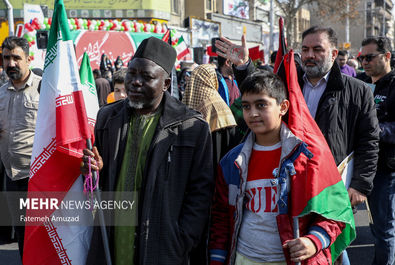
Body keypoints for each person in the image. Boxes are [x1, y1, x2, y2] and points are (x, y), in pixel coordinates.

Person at [215, 26, 380, 264]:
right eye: (305, 49)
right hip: (291, 183)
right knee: (303, 241)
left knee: (332, 243)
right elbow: (262, 93)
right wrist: (243, 66)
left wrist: (360, 186)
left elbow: (369, 141)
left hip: (330, 184)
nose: (309, 55)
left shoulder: (357, 90)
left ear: (334, 54)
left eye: (317, 49)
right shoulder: (289, 83)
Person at [82, 37, 214, 265]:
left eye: (147, 77)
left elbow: (201, 193)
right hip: (114, 240)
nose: (135, 82)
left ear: (165, 83)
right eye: (132, 74)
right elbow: (98, 181)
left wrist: (182, 239)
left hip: (162, 245)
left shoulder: (191, 127)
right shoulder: (108, 117)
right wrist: (94, 170)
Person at [209, 71, 346, 265]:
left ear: (283, 107)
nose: (253, 113)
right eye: (246, 106)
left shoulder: (309, 158)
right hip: (244, 258)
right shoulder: (231, 161)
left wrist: (313, 241)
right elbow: (221, 218)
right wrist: (217, 259)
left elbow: (335, 212)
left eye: (261, 105)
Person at [0, 36, 42, 257]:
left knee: (41, 237)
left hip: (38, 179)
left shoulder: (43, 88)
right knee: (22, 235)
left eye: (16, 57)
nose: (11, 63)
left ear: (28, 58)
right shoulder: (1, 92)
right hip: (11, 177)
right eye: (6, 58)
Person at [359, 36, 395, 265]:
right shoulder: (362, 83)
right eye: (361, 57)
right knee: (375, 227)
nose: (364, 62)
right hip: (363, 168)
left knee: (385, 230)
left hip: (386, 169)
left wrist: (376, 129)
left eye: (369, 57)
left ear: (387, 56)